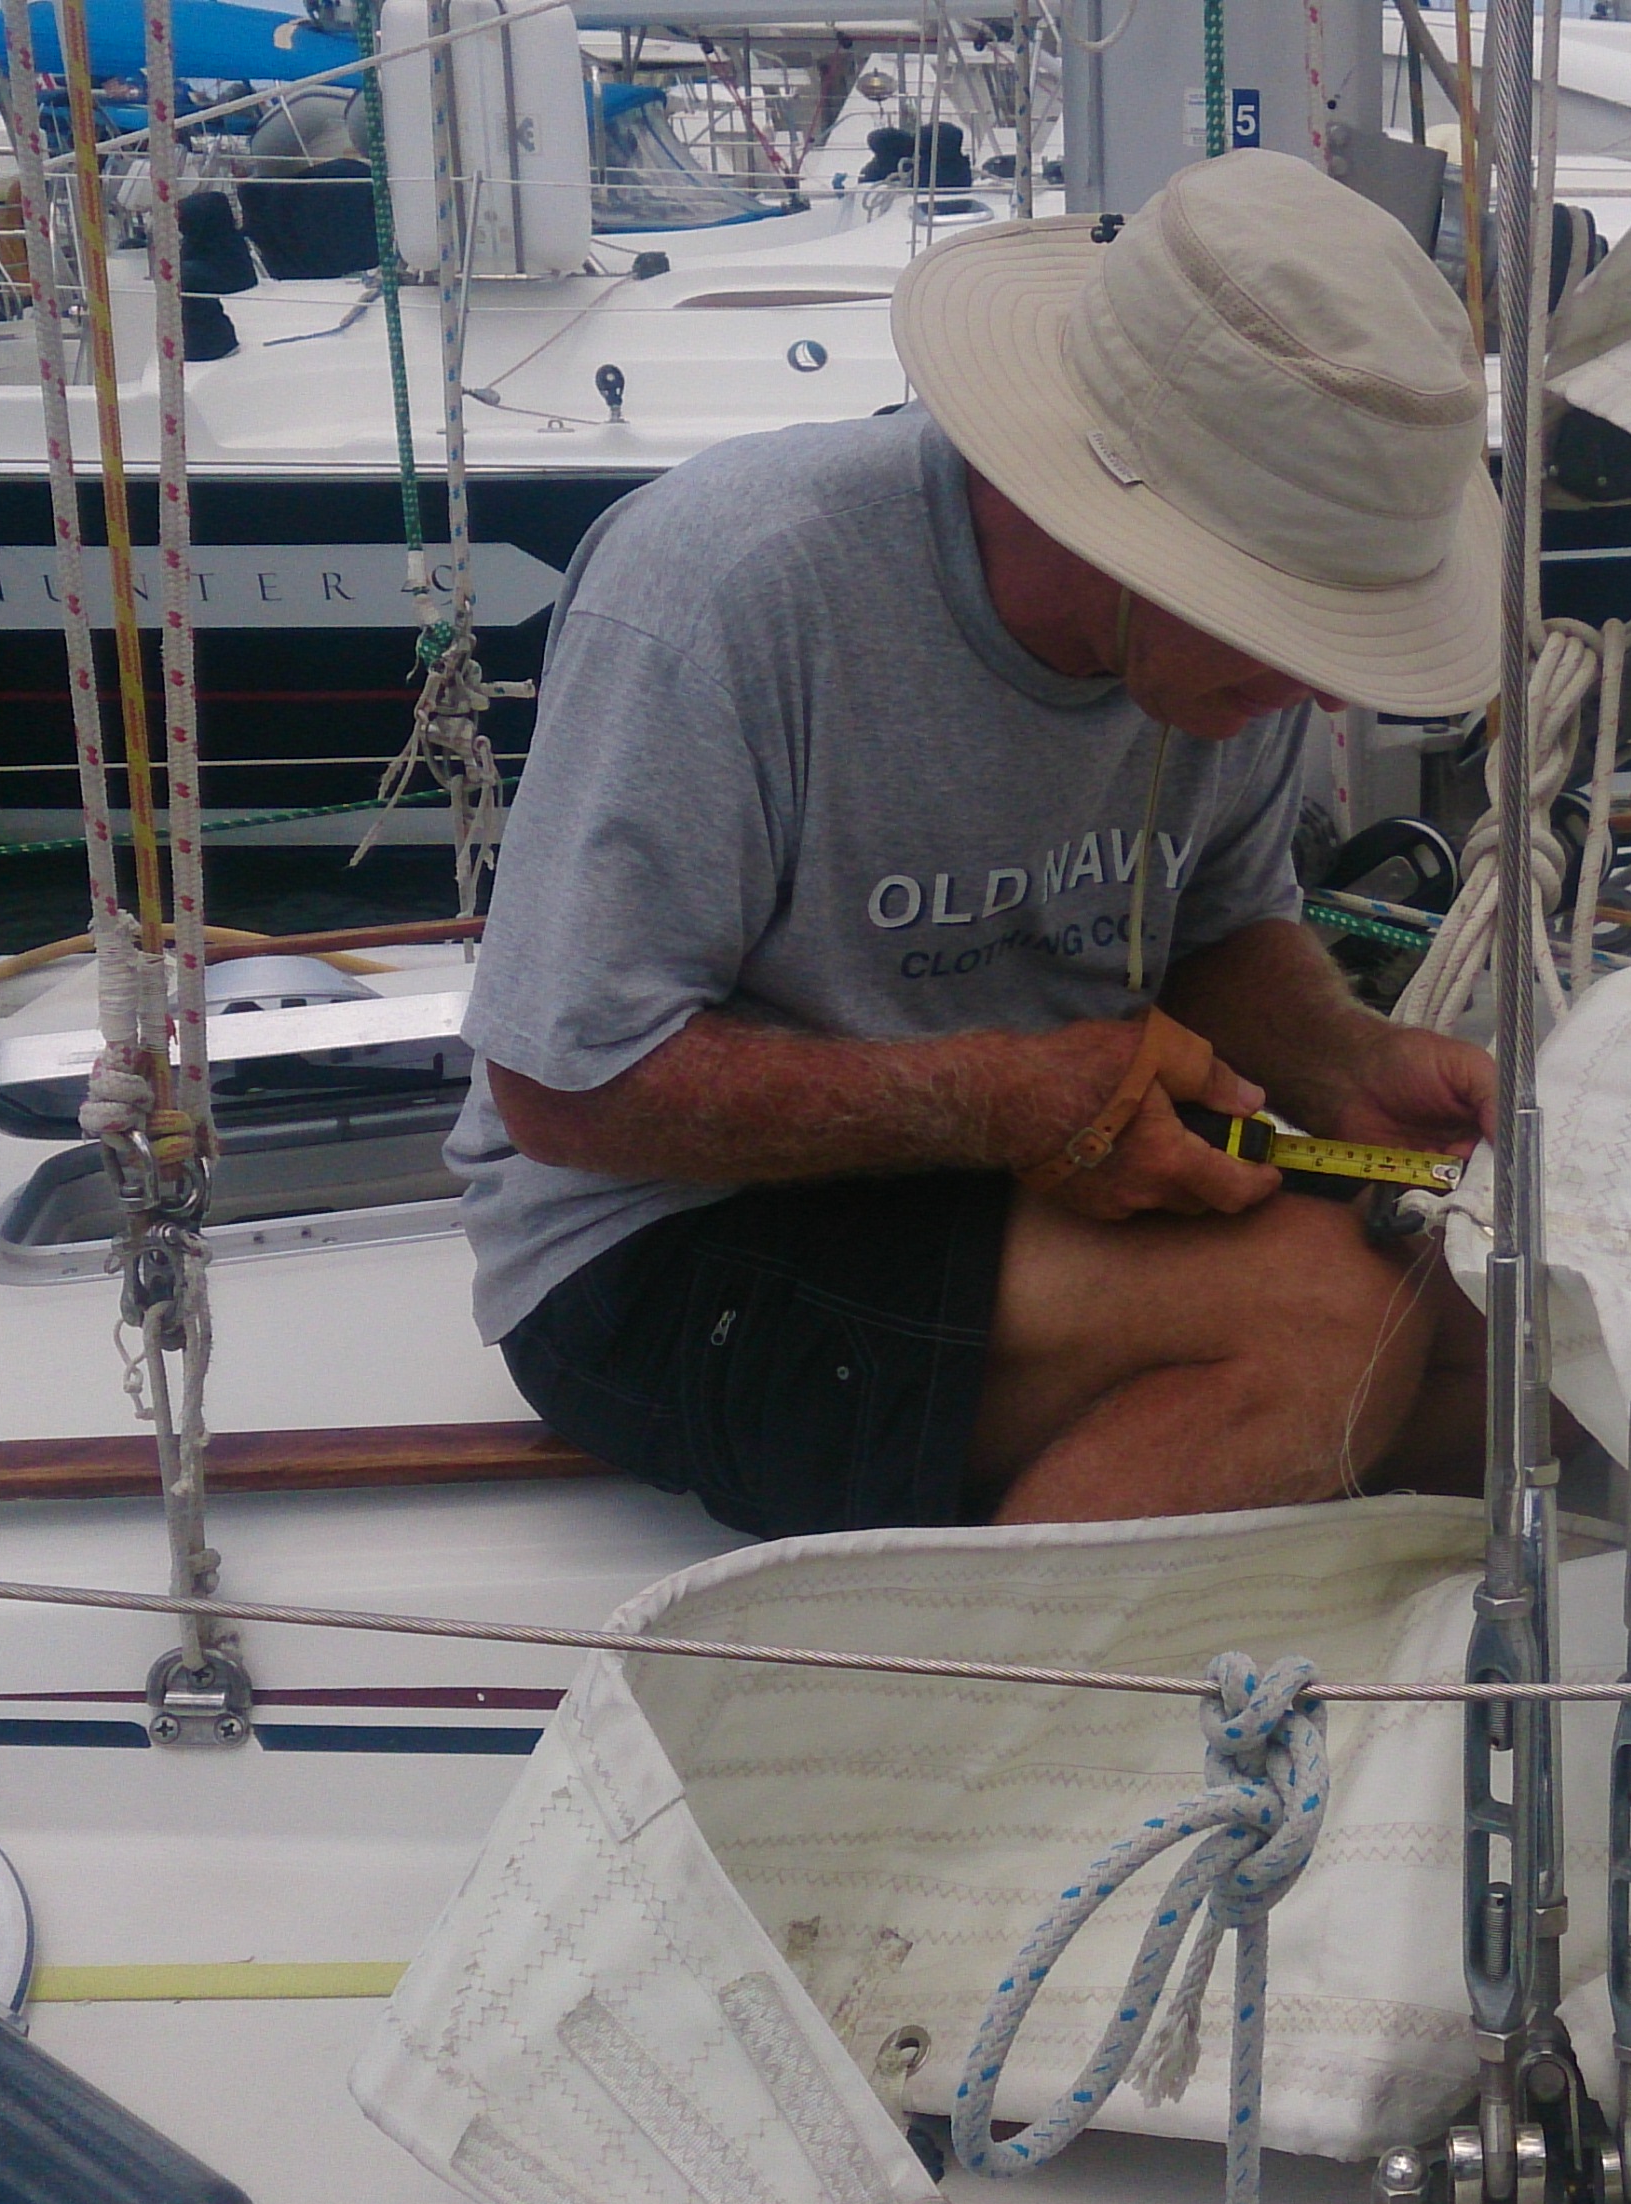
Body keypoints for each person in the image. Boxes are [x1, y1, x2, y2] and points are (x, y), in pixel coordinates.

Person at [449, 149, 1509, 1539]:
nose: (1322, 692)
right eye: (1291, 620)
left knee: (1524, 1350)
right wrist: (1000, 1101)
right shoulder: (733, 586)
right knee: (1326, 1319)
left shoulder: (1220, 671)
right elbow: (565, 1091)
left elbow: (1213, 929)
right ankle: (991, 1674)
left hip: (1002, 1176)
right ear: (1132, 533)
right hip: (651, 1238)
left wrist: (1349, 1065)